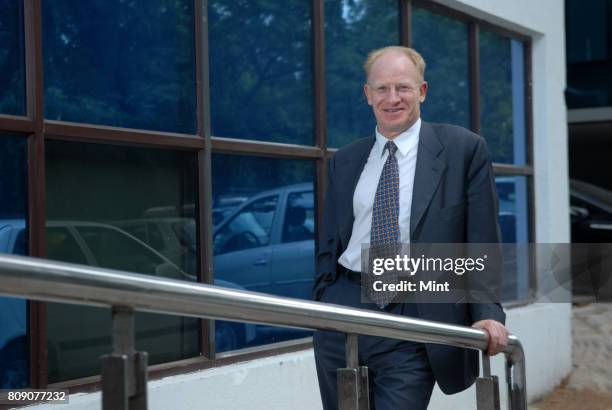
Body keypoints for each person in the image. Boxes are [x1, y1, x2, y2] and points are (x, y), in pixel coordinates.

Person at [312, 46, 509, 409]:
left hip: (415, 314)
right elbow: (330, 242)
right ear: (367, 94)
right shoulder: (346, 160)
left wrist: (486, 312)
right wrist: (325, 299)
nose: (392, 98)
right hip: (345, 311)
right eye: (382, 88)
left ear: (422, 91)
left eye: (402, 87)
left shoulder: (463, 149)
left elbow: (481, 239)